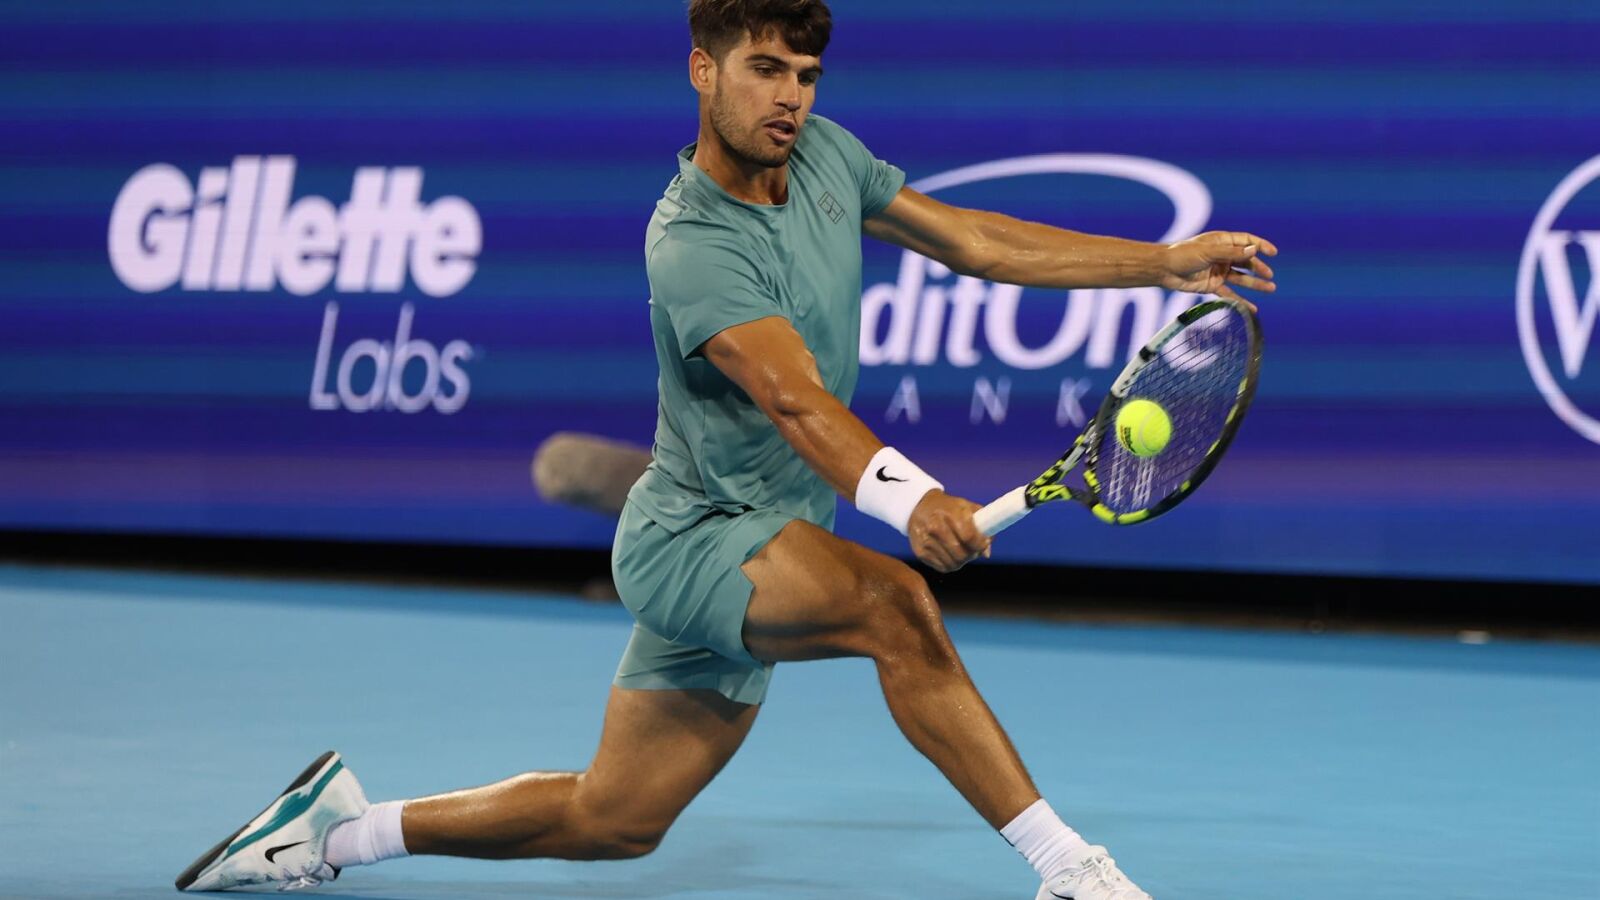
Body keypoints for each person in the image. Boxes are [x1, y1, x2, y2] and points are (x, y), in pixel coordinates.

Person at [175, 2, 1276, 896]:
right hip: (697, 539)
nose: (790, 97)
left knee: (613, 820)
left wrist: (1161, 261)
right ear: (703, 71)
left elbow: (974, 238)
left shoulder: (829, 158)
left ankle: (335, 835)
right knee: (896, 608)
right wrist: (907, 500)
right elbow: (794, 401)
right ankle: (1070, 873)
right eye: (764, 70)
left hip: (773, 535)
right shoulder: (690, 240)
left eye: (805, 75)